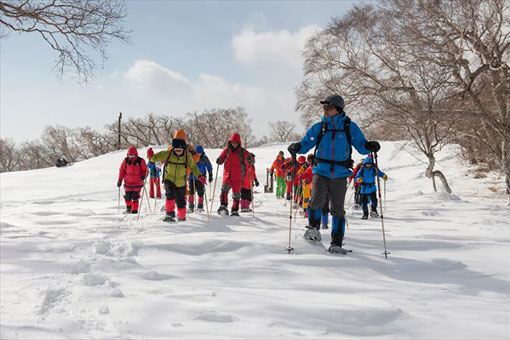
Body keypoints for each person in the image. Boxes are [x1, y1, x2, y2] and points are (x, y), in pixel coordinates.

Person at [287, 94, 381, 253]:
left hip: (340, 172)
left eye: (328, 107)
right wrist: (297, 147)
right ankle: (313, 230)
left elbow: (361, 145)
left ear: (337, 109)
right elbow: (306, 143)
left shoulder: (349, 127)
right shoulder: (320, 127)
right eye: (324, 107)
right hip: (320, 170)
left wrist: (370, 146)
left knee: (337, 208)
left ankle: (336, 242)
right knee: (316, 200)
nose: (325, 110)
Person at [150, 129, 200, 222]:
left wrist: (194, 155)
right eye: (177, 139)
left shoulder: (189, 150)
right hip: (170, 175)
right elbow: (162, 157)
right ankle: (170, 213)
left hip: (184, 173)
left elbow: (195, 161)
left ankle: (180, 213)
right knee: (170, 193)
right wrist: (156, 161)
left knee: (181, 194)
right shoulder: (170, 149)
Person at [216, 133, 254, 216]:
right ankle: (223, 206)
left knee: (236, 194)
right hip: (227, 175)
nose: (234, 144)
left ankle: (234, 210)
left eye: (236, 143)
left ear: (239, 143)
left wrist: (249, 159)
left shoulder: (243, 151)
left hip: (238, 176)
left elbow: (251, 160)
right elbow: (221, 158)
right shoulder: (226, 150)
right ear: (230, 142)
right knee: (224, 190)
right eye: (232, 142)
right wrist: (219, 160)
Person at [117, 146, 148, 214]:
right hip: (127, 183)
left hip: (137, 183)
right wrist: (119, 181)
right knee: (127, 197)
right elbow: (122, 171)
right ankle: (128, 209)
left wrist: (144, 176)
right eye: (130, 155)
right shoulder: (125, 160)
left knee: (135, 197)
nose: (131, 157)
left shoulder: (140, 161)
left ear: (136, 155)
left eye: (133, 155)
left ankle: (134, 210)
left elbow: (145, 170)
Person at [188, 145, 213, 212]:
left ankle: (200, 206)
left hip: (201, 178)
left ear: (202, 152)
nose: (198, 154)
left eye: (200, 153)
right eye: (197, 152)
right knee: (191, 192)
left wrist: (210, 174)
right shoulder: (192, 157)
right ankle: (191, 206)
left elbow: (209, 166)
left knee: (200, 192)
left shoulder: (204, 158)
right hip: (191, 177)